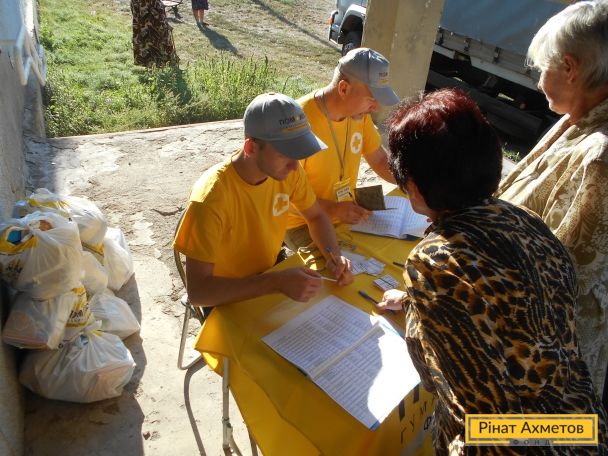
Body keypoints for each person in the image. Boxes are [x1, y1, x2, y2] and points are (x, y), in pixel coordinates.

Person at [378, 88, 608, 455]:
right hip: (579, 427)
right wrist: (413, 303)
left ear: (416, 187)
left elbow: (486, 419)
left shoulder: (435, 261)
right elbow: (506, 310)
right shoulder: (524, 220)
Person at [496, 0, 608, 403]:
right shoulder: (577, 118)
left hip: (541, 377)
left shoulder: (600, 156)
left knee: (492, 434)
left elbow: (552, 280)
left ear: (570, 68)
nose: (539, 79)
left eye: (544, 66)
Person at [173, 92, 353, 308]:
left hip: (270, 274)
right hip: (225, 298)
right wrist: (276, 282)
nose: (294, 166)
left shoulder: (288, 172)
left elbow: (315, 216)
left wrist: (334, 257)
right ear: (251, 148)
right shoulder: (210, 199)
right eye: (285, 154)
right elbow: (199, 293)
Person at [284, 47, 399, 250]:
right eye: (372, 98)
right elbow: (284, 193)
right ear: (344, 89)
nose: (376, 108)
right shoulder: (298, 122)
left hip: (346, 211)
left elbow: (380, 160)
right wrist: (334, 209)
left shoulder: (359, 116)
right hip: (303, 222)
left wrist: (413, 184)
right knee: (343, 267)